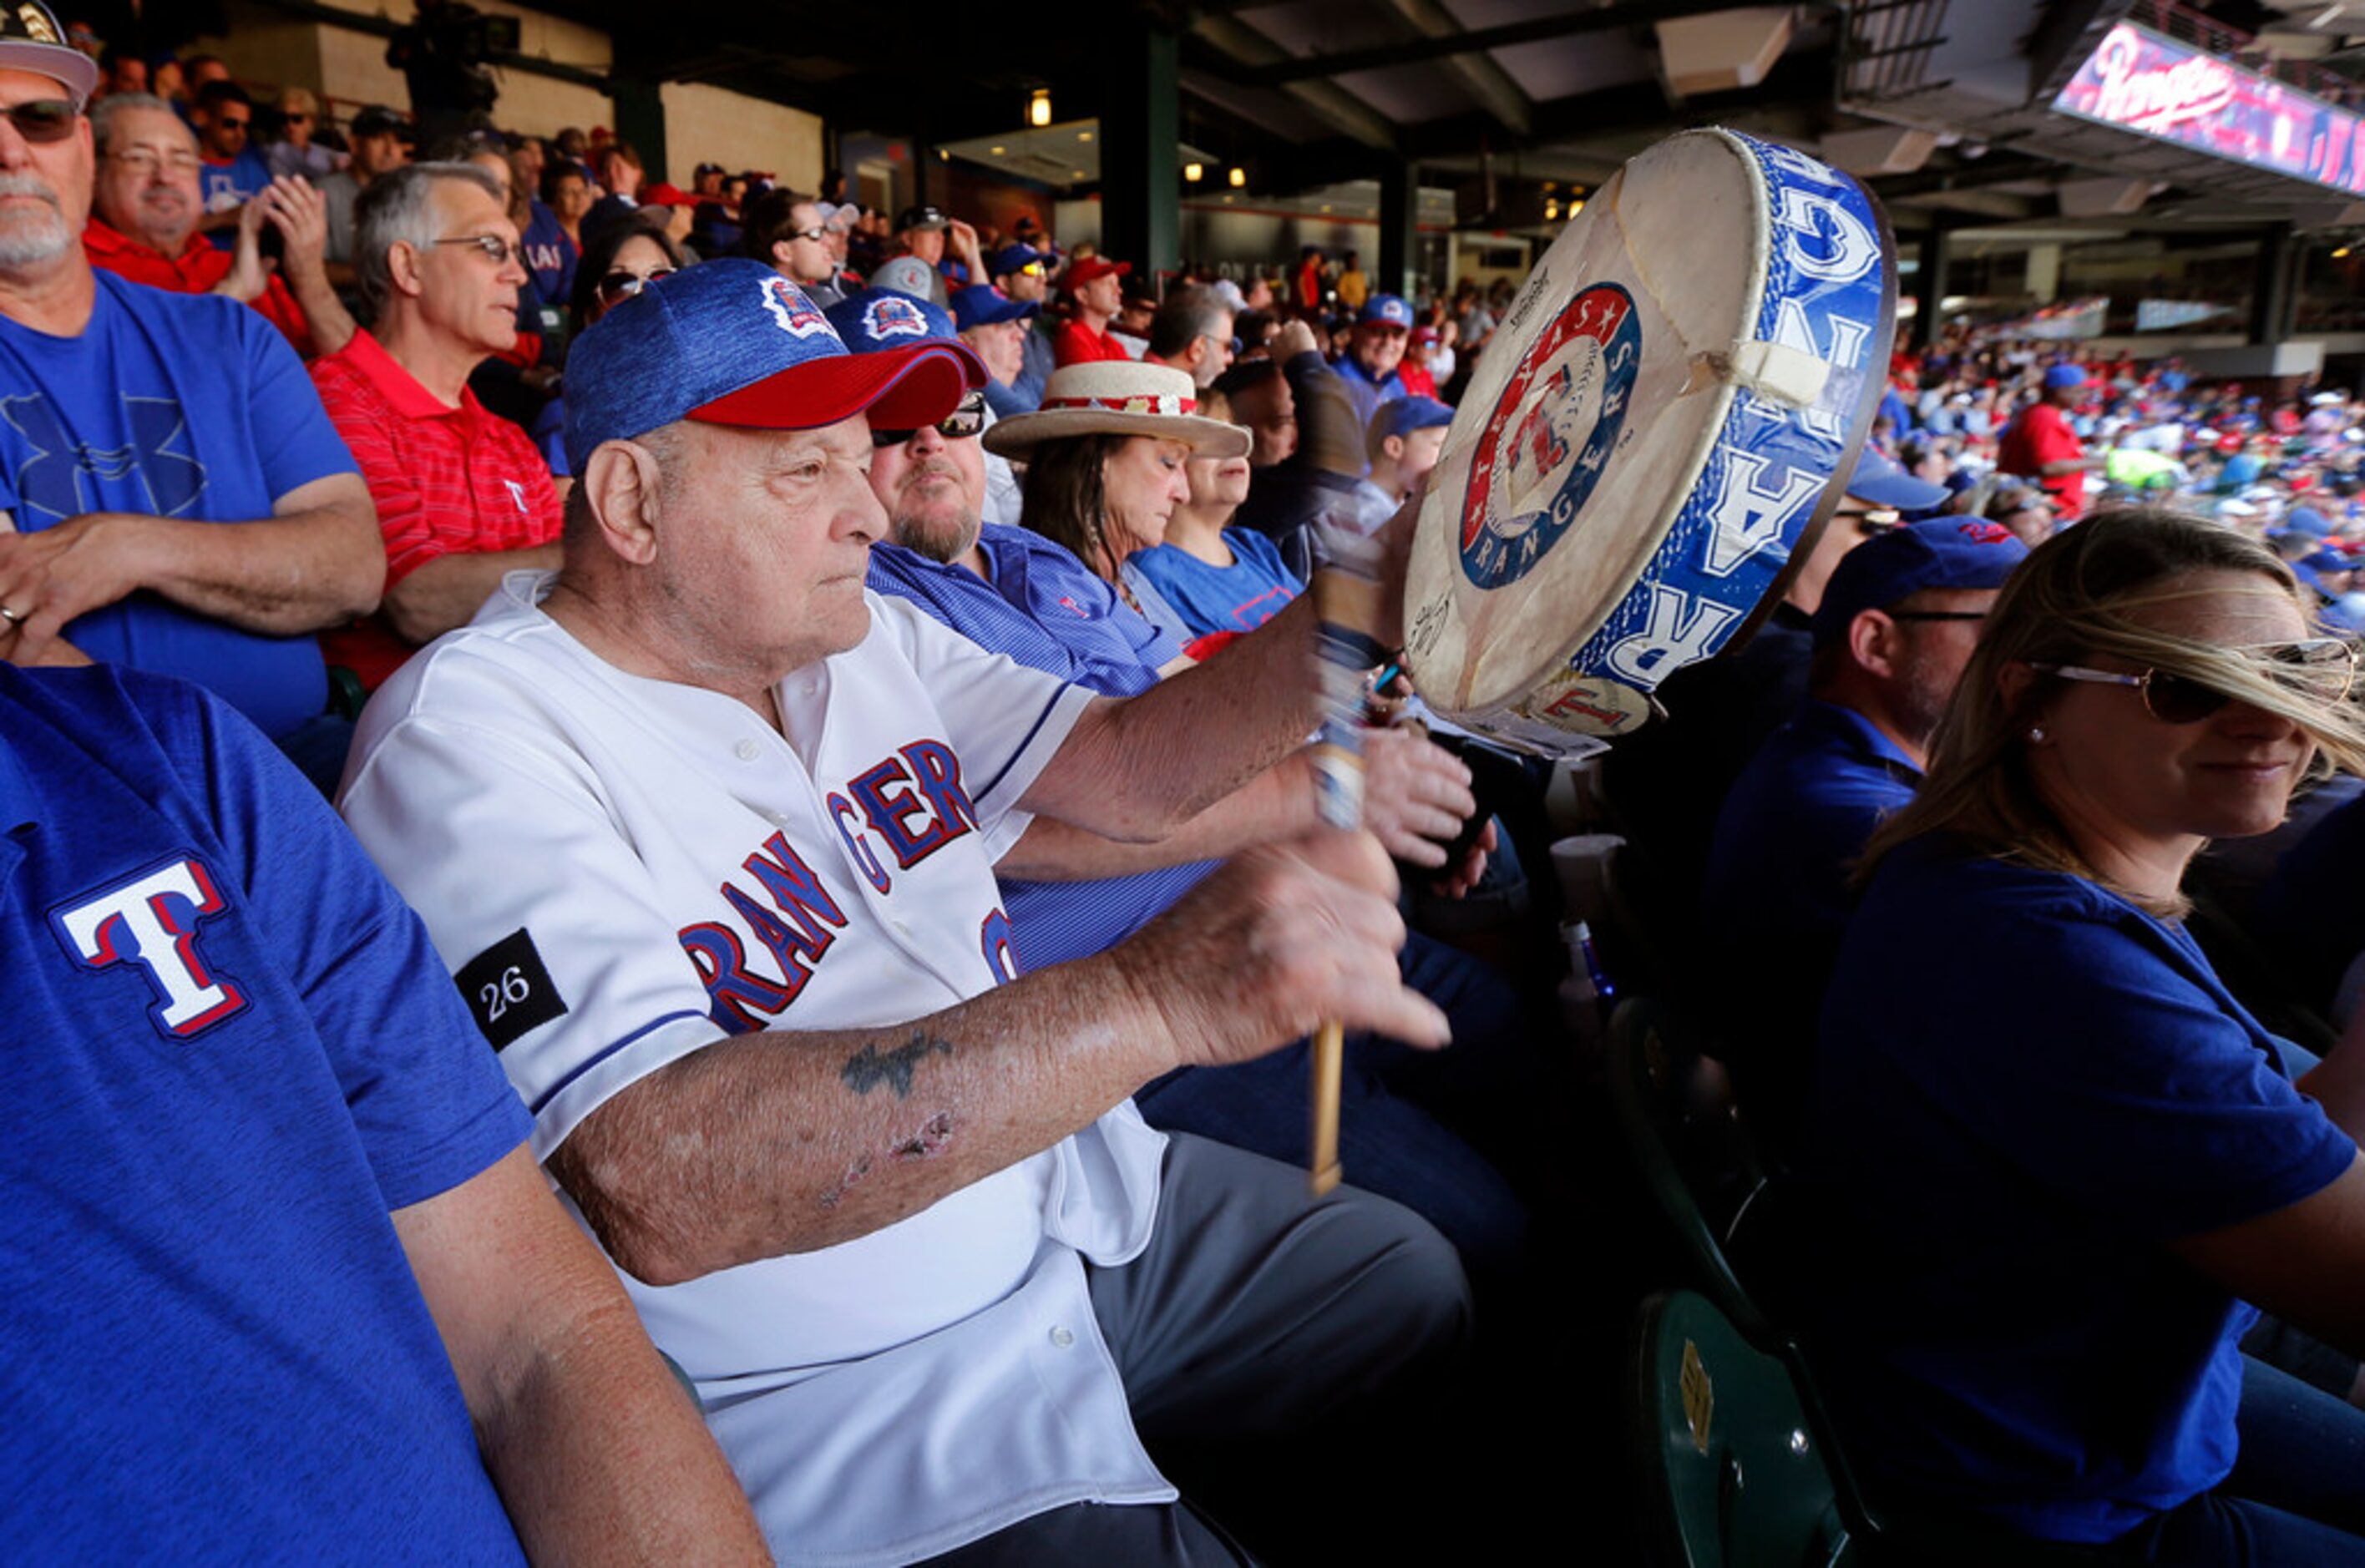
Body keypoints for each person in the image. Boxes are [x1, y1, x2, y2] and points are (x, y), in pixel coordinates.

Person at [337, 257, 1471, 1566]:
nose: (867, 510)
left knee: (1411, 1294)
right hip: (855, 1386)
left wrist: (1369, 599)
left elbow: (1127, 769)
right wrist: (1157, 994)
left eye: (856, 457)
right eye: (803, 470)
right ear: (632, 500)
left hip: (1075, 1199)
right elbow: (661, 1178)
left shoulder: (856, 633)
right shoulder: (467, 739)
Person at [2, 656, 768, 1562]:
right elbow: (655, 1182)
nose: (861, 517)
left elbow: (532, 1339)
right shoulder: (459, 719)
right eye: (797, 496)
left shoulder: (173, 755)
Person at [848, 291, 1535, 1276]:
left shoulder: (1029, 557)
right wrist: (1334, 787)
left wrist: (1373, 794)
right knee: (1478, 1235)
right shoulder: (859, 618)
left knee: (1505, 1038)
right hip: (1129, 1015)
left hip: (1257, 903)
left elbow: (1191, 715)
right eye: (887, 428)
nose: (930, 445)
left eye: (956, 421)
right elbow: (1054, 813)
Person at [1795, 508, 2365, 1561]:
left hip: (2084, 1407)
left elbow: (2275, 1157)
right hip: (2046, 1501)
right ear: (2032, 702)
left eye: (2298, 670)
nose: (2271, 719)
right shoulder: (2047, 959)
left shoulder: (2003, 878)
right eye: (2186, 684)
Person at [0, 20, 380, 791]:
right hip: (96, 795)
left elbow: (353, 567)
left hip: (315, 755)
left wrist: (131, 548)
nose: (10, 152)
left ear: (78, 146)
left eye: (37, 119)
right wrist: (232, 794)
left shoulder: (230, 335)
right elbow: (14, 637)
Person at [1699, 518, 2027, 1152]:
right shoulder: (1860, 818)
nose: (2029, 661)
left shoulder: (1824, 757)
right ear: (1876, 643)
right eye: (2001, 628)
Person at [1598, 448, 1952, 943]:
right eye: (1874, 525)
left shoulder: (1724, 634)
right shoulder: (1783, 676)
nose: (1895, 544)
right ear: (1785, 531)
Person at [309, 162, 562, 692]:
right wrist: (604, 553)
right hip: (408, 731)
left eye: (517, 253)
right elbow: (417, 600)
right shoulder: (335, 400)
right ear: (409, 267)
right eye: (492, 248)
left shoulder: (509, 440)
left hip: (534, 709)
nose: (519, 275)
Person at [82, 92, 357, 359]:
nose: (165, 177)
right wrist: (231, 294)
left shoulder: (242, 267)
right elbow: (126, 383)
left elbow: (359, 371)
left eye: (181, 160)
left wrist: (309, 275)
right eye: (139, 158)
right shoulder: (71, 270)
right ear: (92, 170)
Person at [1116, 385, 1303, 654]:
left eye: (1236, 437)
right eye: (1212, 442)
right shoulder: (1151, 573)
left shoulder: (1252, 544)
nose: (1234, 451)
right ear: (1171, 463)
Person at [320, 104, 409, 285]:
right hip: (347, 305)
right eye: (379, 139)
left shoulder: (408, 193)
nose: (390, 150)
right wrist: (383, 273)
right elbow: (314, 269)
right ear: (354, 144)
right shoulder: (324, 193)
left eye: (397, 141)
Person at [1999, 362, 2099, 522]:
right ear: (2060, 390)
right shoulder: (2044, 417)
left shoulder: (2044, 413)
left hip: (2052, 508)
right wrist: (2102, 462)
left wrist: (2085, 440)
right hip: (2047, 511)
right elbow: (2049, 467)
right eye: (2079, 391)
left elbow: (2051, 450)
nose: (2084, 396)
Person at [1345, 394, 1454, 531]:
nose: (1446, 455)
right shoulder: (1363, 511)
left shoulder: (1392, 504)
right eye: (1439, 445)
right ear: (1394, 447)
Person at [189, 77, 266, 244]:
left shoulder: (254, 169)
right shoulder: (179, 167)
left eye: (245, 126)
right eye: (230, 124)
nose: (240, 134)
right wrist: (224, 218)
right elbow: (165, 227)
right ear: (201, 117)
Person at [740, 185, 838, 305]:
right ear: (783, 252)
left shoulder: (750, 299)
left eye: (825, 230)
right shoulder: (821, 303)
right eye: (816, 233)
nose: (829, 242)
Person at [1334, 292, 1412, 432]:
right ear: (1354, 333)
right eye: (1378, 332)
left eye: (1397, 335)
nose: (1388, 342)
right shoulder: (1334, 383)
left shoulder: (1395, 383)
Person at [1142, 286, 1233, 388]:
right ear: (1198, 349)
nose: (1230, 358)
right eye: (1227, 347)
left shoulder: (1137, 379)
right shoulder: (1170, 399)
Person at [1053, 254, 1132, 367]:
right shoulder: (1073, 338)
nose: (1119, 291)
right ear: (1082, 295)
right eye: (1109, 284)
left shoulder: (1113, 344)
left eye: (1117, 283)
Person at [263, 85, 338, 182]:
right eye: (283, 119)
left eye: (297, 119)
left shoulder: (327, 156)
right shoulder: (269, 152)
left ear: (311, 121)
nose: (290, 125)